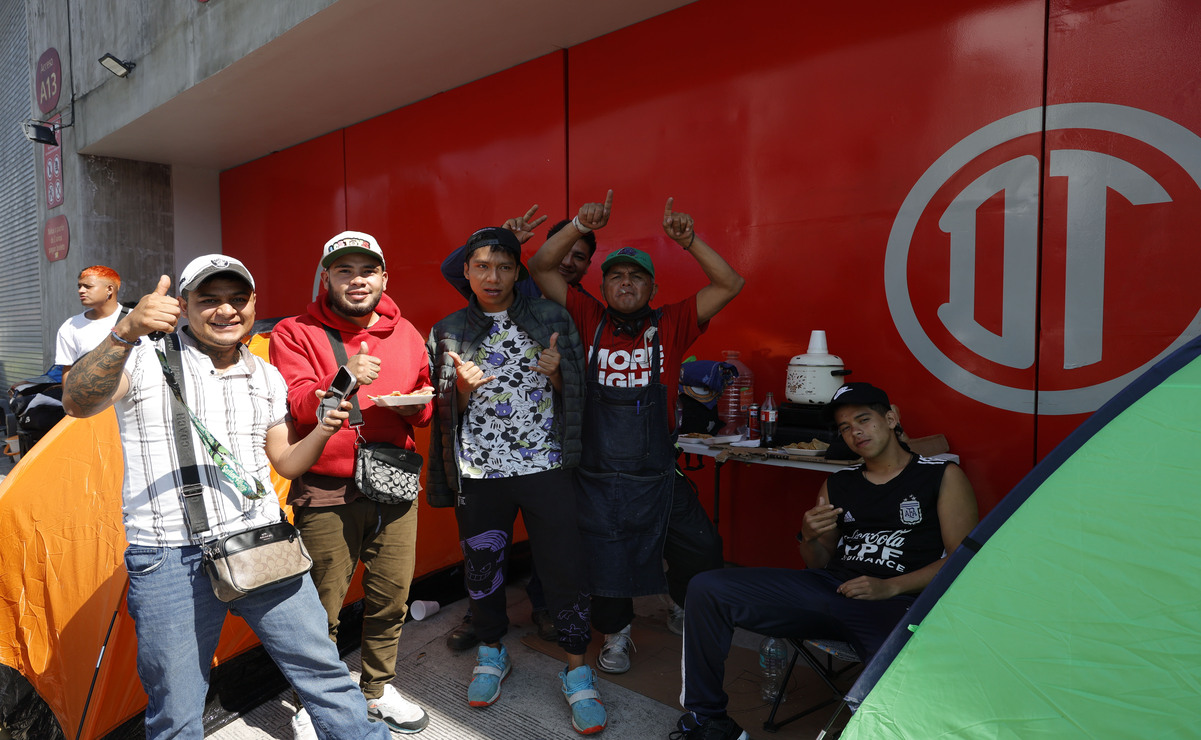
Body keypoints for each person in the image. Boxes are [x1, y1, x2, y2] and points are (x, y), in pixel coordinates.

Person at [60, 255, 391, 740]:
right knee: (176, 711)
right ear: (183, 304)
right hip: (170, 556)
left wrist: (322, 429)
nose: (226, 311)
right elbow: (76, 400)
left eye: (238, 299)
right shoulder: (145, 357)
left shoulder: (266, 375)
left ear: (254, 304)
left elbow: (286, 463)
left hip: (262, 543)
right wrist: (126, 330)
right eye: (209, 300)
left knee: (326, 675)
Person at [671, 382, 980, 740]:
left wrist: (890, 586)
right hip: (830, 589)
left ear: (891, 418)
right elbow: (816, 563)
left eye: (864, 419)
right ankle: (710, 720)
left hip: (896, 603)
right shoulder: (840, 484)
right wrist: (809, 535)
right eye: (845, 427)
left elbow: (963, 562)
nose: (855, 432)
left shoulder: (940, 476)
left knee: (899, 689)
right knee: (708, 587)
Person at [527, 191, 743, 674]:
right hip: (597, 474)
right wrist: (580, 224)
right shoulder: (586, 317)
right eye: (617, 275)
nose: (626, 282)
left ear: (651, 286)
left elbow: (730, 282)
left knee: (703, 548)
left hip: (655, 471)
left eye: (637, 276)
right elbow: (541, 267)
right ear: (603, 287)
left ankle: (684, 605)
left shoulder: (674, 322)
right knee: (603, 561)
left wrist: (689, 242)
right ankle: (617, 633)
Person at [427, 227, 605, 734]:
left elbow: (580, 394)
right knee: (483, 568)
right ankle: (491, 652)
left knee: (565, 568)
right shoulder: (447, 329)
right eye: (482, 266)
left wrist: (556, 376)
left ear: (518, 273)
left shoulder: (551, 317)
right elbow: (441, 414)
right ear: (466, 271)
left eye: (504, 267)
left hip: (546, 467)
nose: (493, 276)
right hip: (481, 471)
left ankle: (577, 668)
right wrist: (459, 390)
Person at [269, 231, 431, 735]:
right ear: (327, 277)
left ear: (384, 277)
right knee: (320, 605)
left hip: (394, 483)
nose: (356, 280)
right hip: (326, 489)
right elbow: (299, 405)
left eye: (367, 270)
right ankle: (311, 703)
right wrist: (346, 376)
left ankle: (377, 689)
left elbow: (423, 411)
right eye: (344, 270)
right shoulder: (294, 331)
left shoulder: (408, 332)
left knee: (390, 598)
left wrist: (422, 400)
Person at [55, 265, 127, 373]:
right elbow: (68, 372)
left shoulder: (137, 319)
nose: (81, 291)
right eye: (79, 286)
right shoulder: (71, 326)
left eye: (87, 286)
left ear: (109, 289)